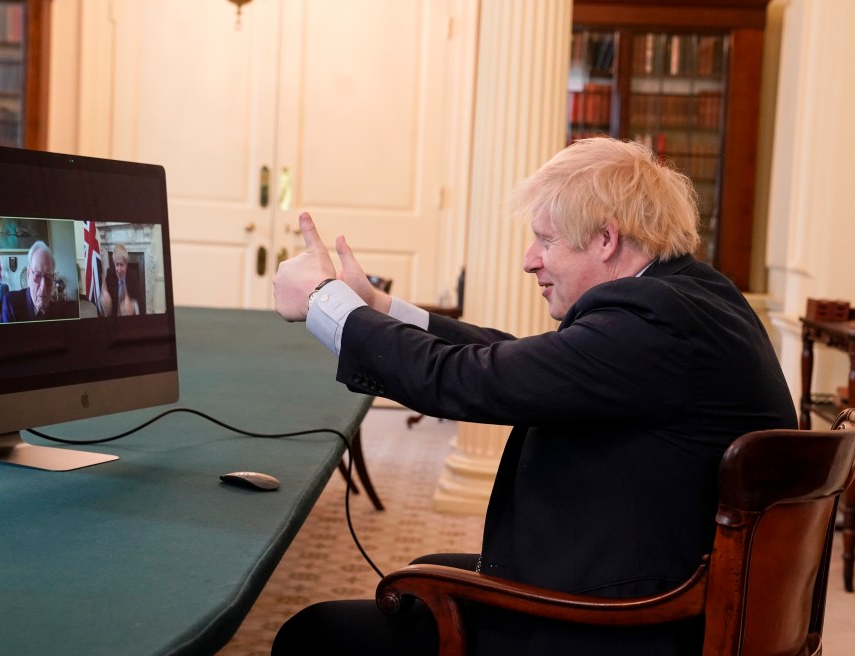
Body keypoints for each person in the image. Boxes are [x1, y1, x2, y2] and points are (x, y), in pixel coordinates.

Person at [270, 137, 797, 655]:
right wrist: (380, 308)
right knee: (424, 573)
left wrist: (323, 302)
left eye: (545, 240)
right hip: (648, 586)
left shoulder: (652, 321)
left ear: (605, 239)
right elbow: (522, 361)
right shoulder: (692, 295)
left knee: (314, 634)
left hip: (616, 626)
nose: (529, 260)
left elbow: (469, 380)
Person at [0, 240, 74, 322]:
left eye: (48, 277)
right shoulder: (11, 304)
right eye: (37, 276)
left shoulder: (59, 312)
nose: (43, 287)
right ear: (28, 274)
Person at [100, 243, 141, 316]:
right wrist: (103, 299)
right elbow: (105, 302)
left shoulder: (133, 275)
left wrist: (133, 305)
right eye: (117, 264)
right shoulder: (110, 274)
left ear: (126, 264)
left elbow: (140, 302)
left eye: (121, 265)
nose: (119, 269)